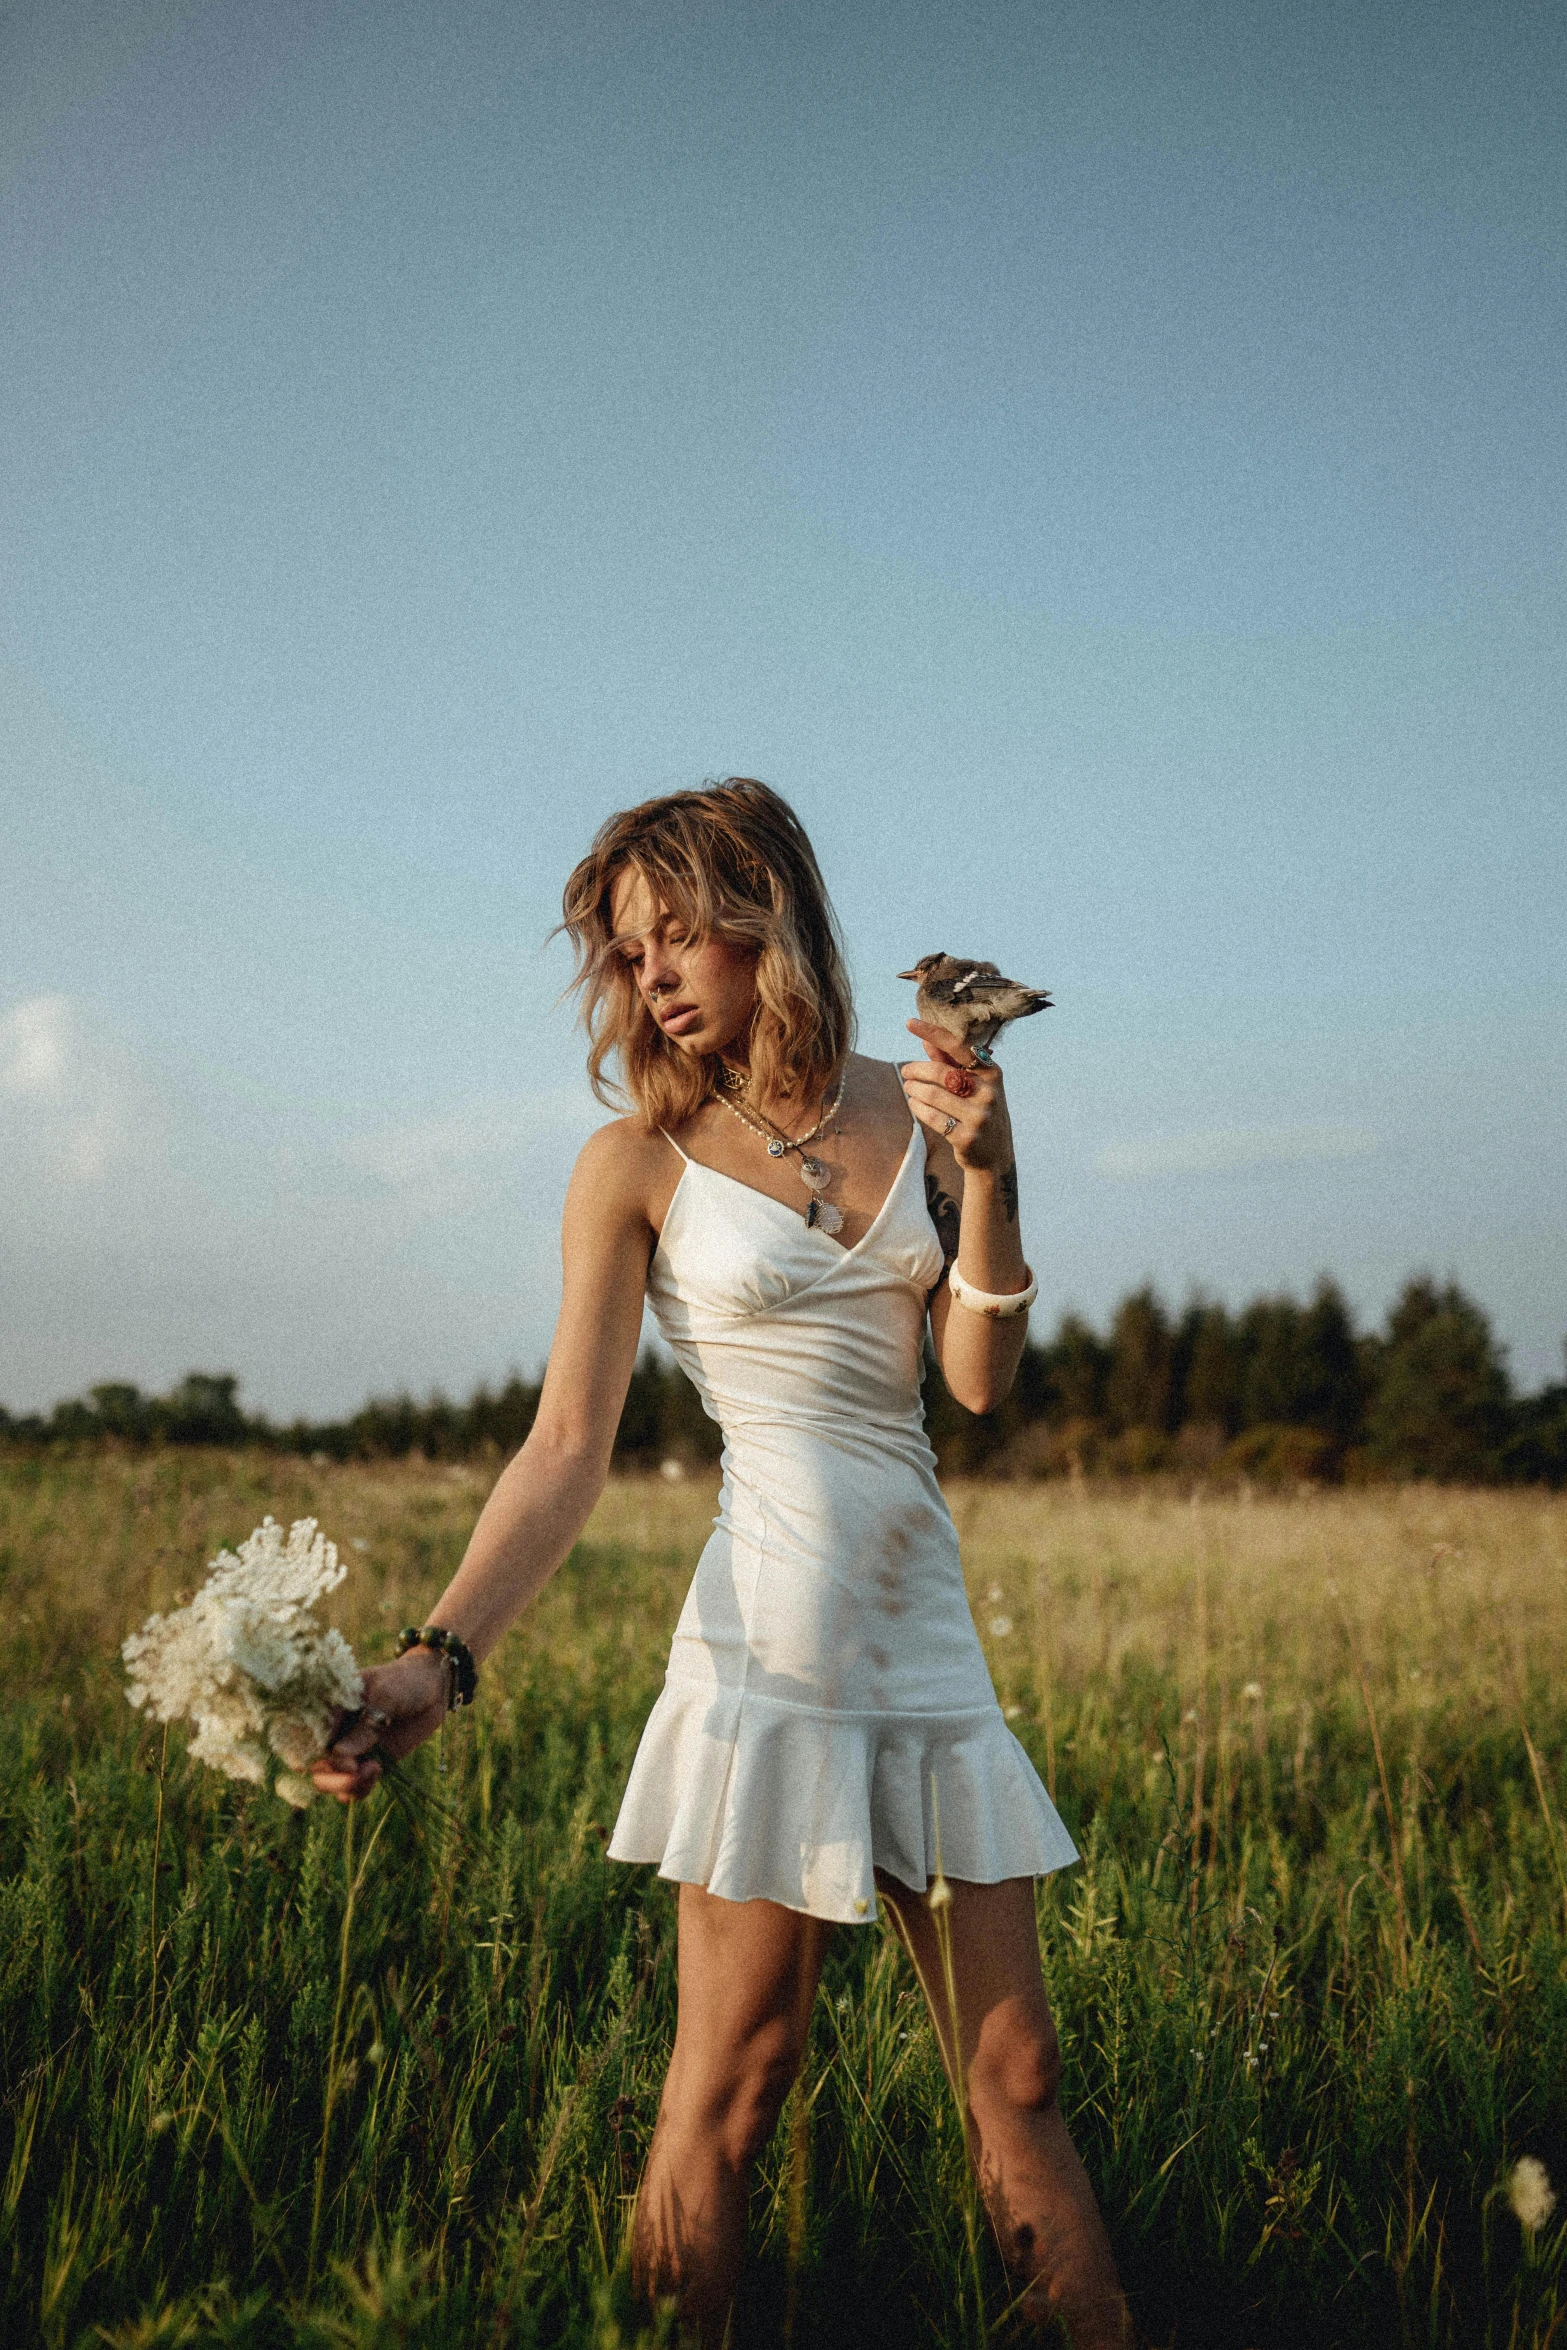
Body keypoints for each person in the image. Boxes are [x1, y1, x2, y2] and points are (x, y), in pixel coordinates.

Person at [311, 778, 1131, 2346]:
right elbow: (566, 1446)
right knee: (737, 2082)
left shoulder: (924, 1099)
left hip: (924, 1641)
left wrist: (996, 1169)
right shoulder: (636, 1160)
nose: (657, 974)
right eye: (631, 952)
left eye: (680, 931)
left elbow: (970, 1381)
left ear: (771, 915)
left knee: (1015, 2072)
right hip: (766, 1655)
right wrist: (440, 1655)